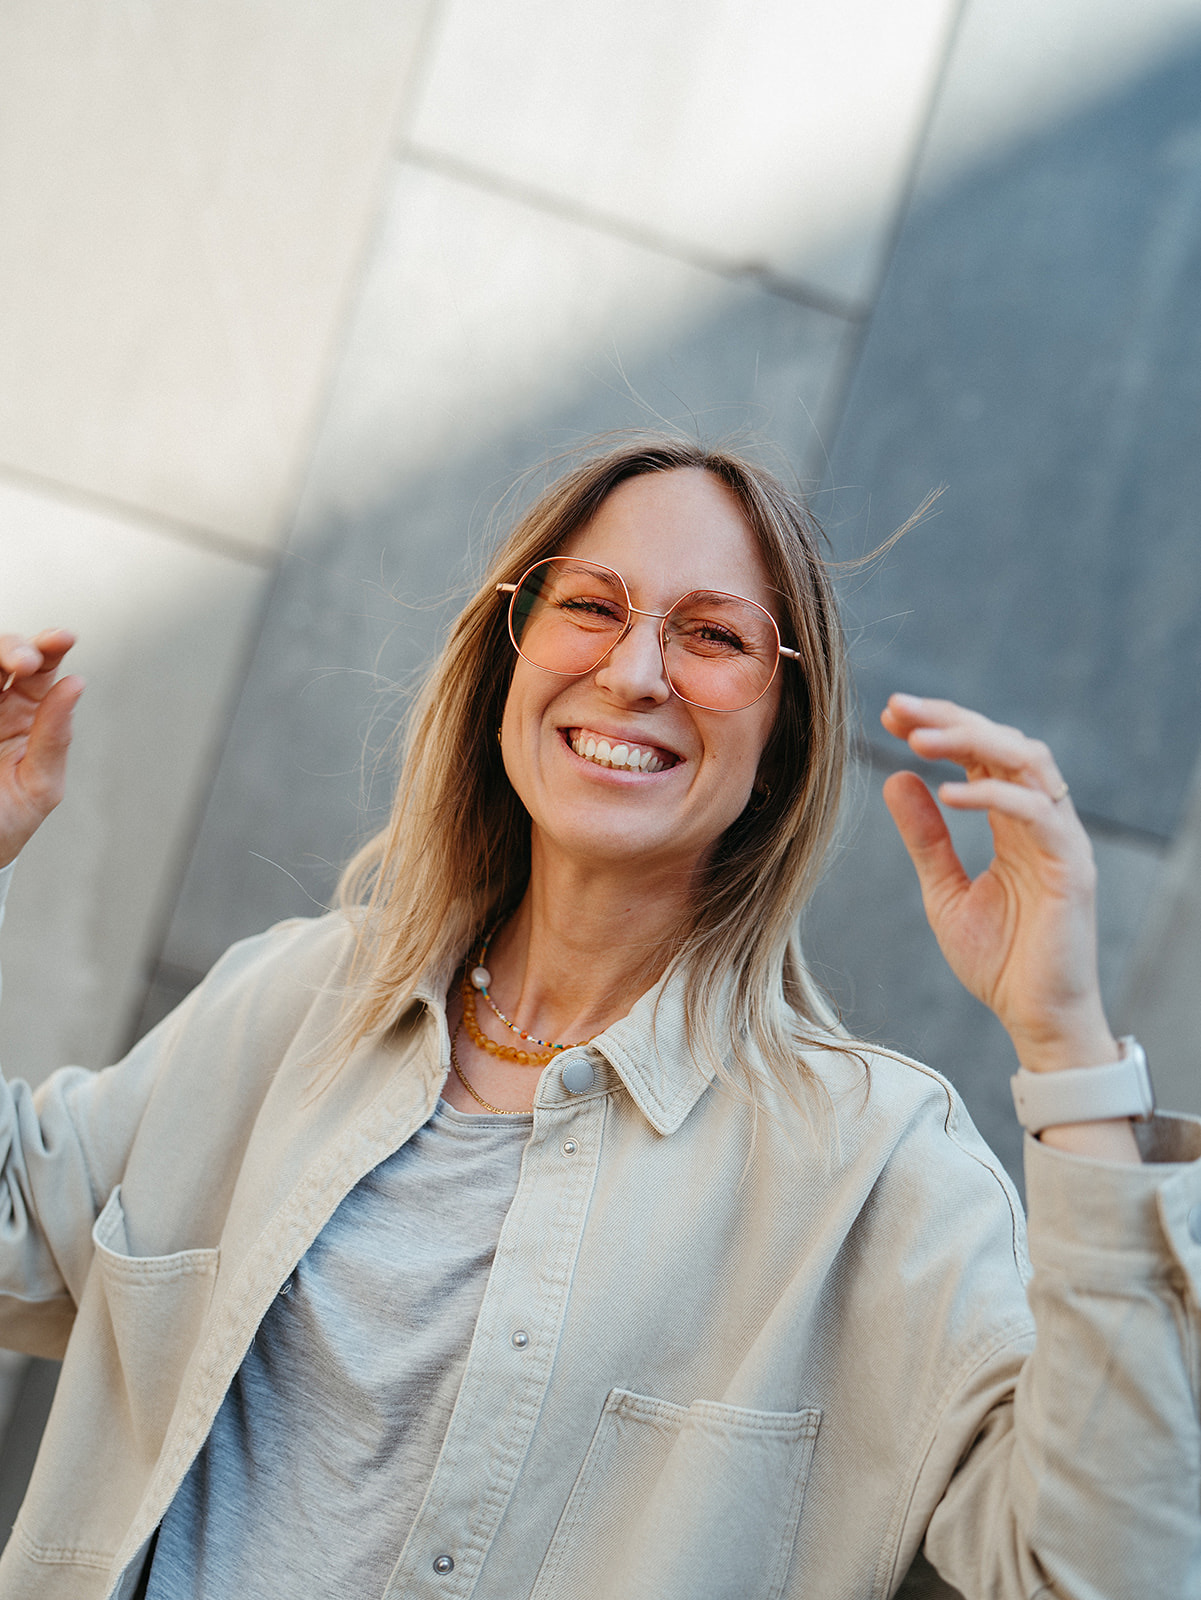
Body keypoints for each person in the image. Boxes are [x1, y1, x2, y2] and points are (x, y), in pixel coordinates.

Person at [0, 435, 1197, 1600]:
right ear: (507, 654)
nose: (632, 673)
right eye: (590, 606)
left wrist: (1067, 1045)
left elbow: (1103, 1573)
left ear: (783, 731)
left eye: (714, 634)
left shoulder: (876, 1170)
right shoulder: (290, 1003)